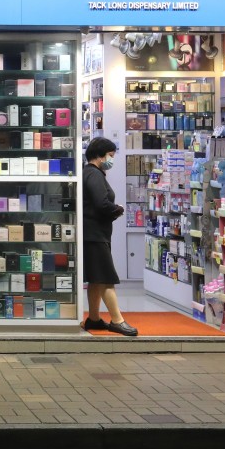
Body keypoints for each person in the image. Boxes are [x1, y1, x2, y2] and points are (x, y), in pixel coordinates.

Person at [82, 137, 138, 337]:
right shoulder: (94, 174)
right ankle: (117, 320)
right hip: (95, 235)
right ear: (100, 155)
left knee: (96, 279)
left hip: (93, 234)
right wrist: (118, 209)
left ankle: (94, 318)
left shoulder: (88, 173)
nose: (111, 160)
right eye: (111, 156)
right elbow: (101, 203)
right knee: (106, 278)